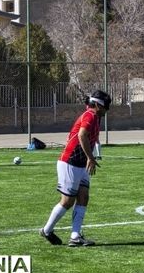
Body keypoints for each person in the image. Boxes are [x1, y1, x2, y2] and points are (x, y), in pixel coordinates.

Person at [40, 90, 111, 247]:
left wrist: (90, 156)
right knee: (67, 201)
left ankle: (75, 236)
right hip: (70, 162)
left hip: (82, 163)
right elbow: (81, 135)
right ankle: (46, 230)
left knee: (84, 197)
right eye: (106, 106)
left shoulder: (96, 117)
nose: (107, 110)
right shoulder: (90, 115)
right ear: (98, 105)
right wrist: (91, 158)